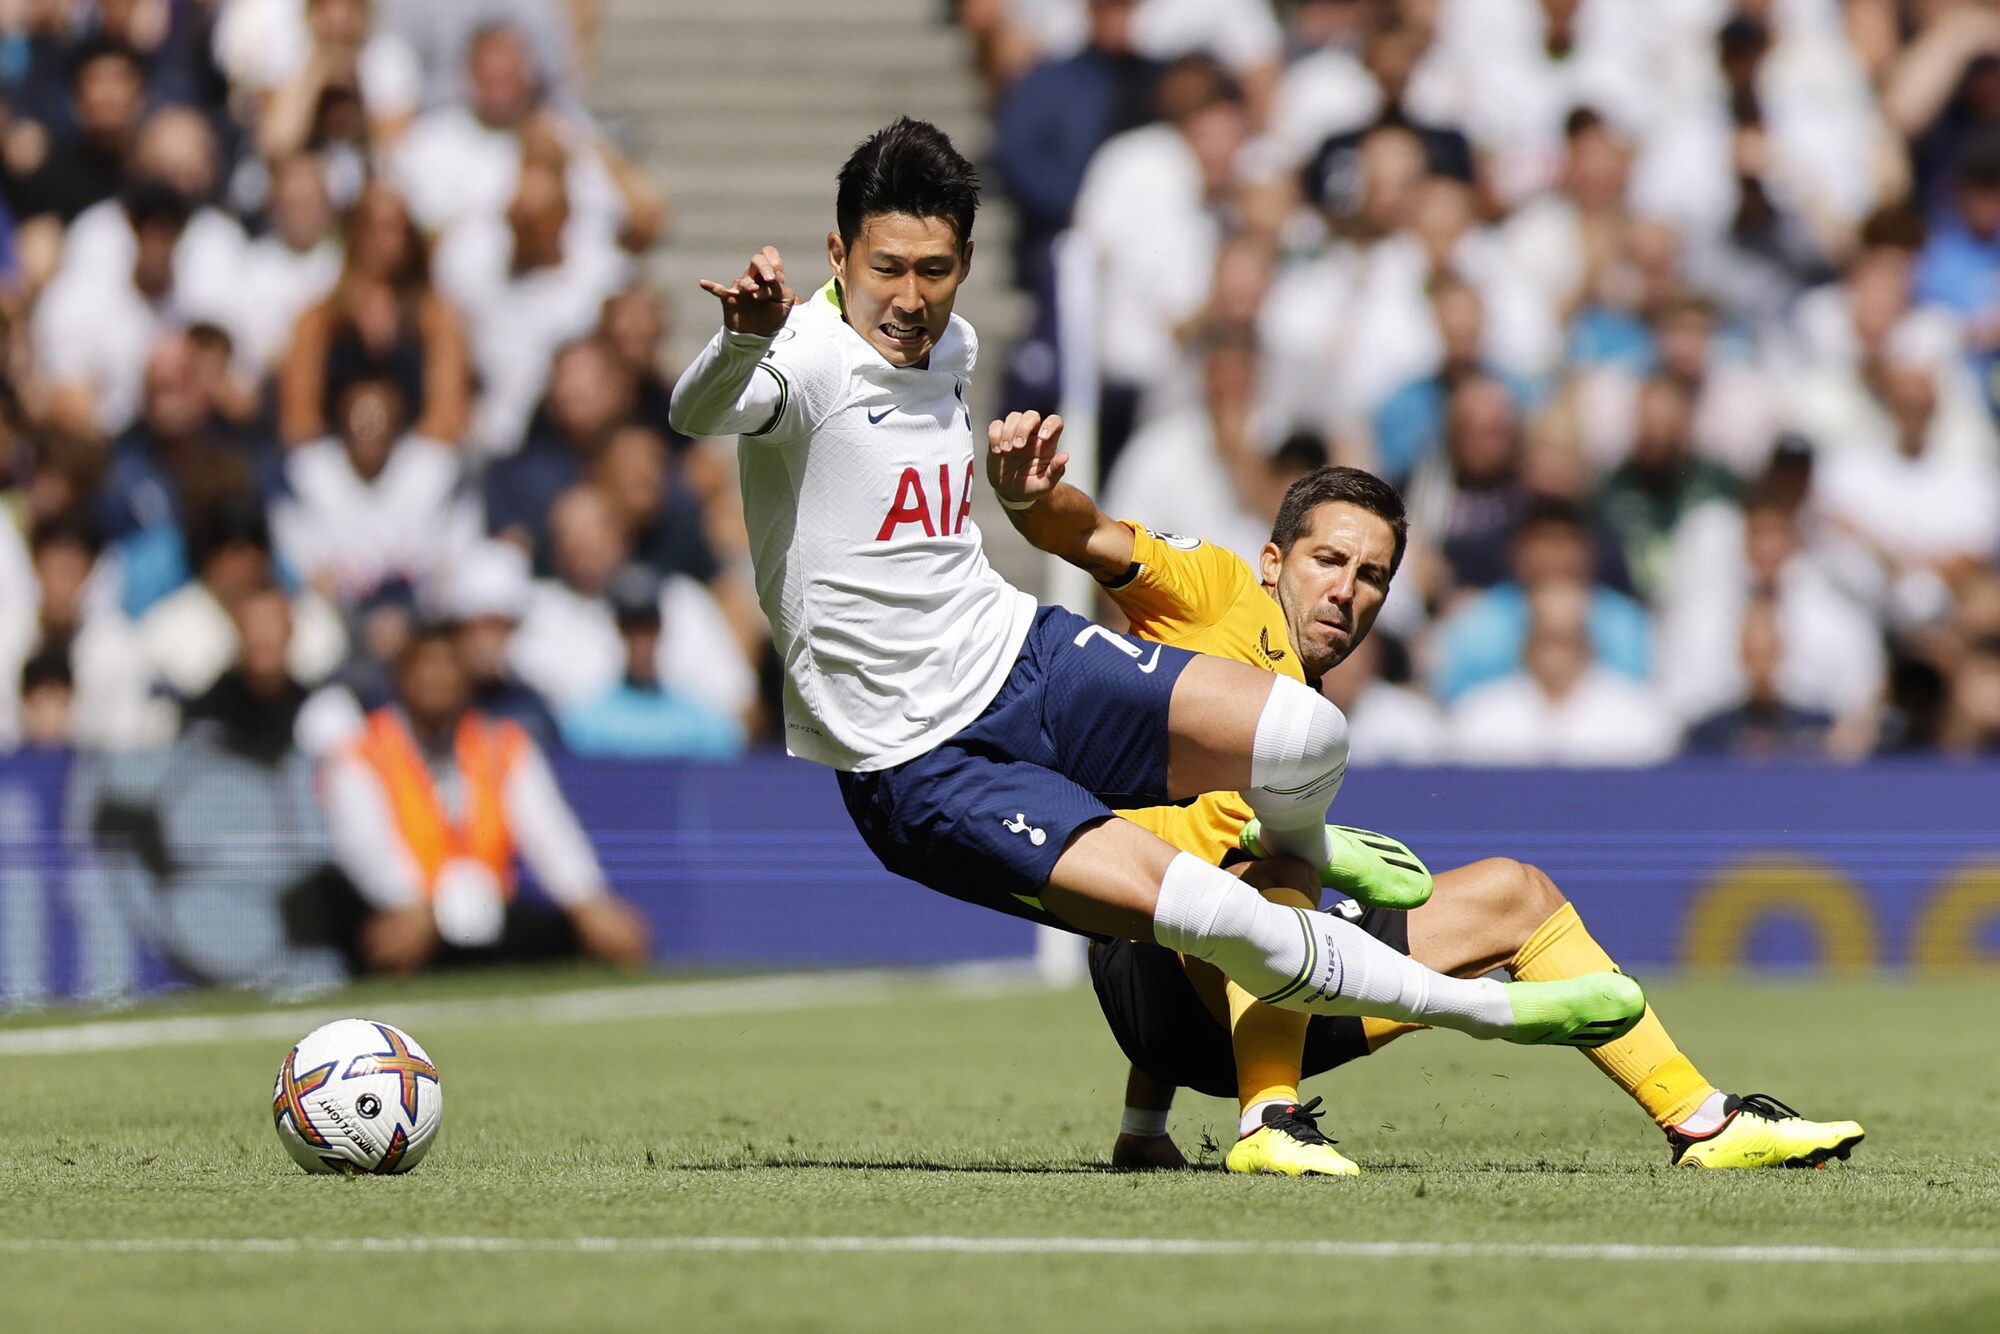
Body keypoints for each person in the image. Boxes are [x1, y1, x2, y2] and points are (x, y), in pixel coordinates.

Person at [669, 118, 1645, 1096]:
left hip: (1017, 654)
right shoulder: (803, 356)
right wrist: (741, 339)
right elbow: (698, 412)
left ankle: (1292, 838)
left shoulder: (950, 343)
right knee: (1222, 918)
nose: (910, 298)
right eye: (886, 268)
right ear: (838, 255)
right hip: (916, 753)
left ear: (965, 260)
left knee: (1306, 733)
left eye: (935, 269)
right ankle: (1491, 1010)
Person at [1011, 462, 1864, 1172]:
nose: (1346, 591)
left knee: (1516, 893)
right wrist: (1028, 495)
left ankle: (1703, 1121)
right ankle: (1270, 1120)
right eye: (1328, 560)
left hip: (1215, 1011)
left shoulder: (1306, 700)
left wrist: (1144, 1130)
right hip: (1150, 966)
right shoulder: (1220, 591)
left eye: (1371, 576)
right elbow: (1085, 533)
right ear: (1273, 562)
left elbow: (1187, 830)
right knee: (1280, 864)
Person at [318, 621, 652, 974]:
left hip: (489, 918)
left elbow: (549, 833)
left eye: (449, 665)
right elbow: (365, 847)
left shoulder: (501, 744)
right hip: (401, 917)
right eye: (426, 665)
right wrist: (413, 905)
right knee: (386, 940)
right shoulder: (362, 751)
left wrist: (587, 901)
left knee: (581, 936)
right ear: (401, 676)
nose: (437, 678)